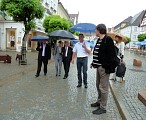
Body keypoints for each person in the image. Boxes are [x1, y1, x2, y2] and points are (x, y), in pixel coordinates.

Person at [90, 24, 117, 115]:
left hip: (104, 68)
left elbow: (112, 55)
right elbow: (97, 53)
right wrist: (93, 63)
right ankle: (99, 101)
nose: (95, 31)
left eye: (96, 30)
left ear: (100, 30)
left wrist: (105, 65)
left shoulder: (108, 40)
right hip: (98, 67)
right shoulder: (99, 40)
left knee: (103, 88)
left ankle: (103, 107)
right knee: (98, 85)